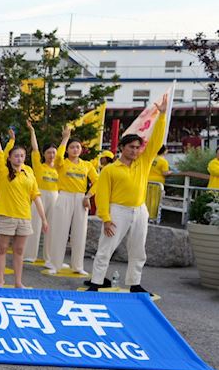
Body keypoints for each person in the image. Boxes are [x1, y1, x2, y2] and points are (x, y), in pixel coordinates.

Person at [86, 111, 169, 294]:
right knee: (106, 248)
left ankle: (135, 283)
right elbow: (102, 195)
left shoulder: (144, 162)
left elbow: (156, 141)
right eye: (131, 147)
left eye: (137, 147)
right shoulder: (110, 169)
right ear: (122, 148)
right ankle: (96, 282)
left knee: (138, 250)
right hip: (118, 211)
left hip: (140, 210)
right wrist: (106, 218)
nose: (135, 150)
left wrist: (162, 115)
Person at [0, 117, 47, 288]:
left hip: (24, 217)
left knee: (19, 251)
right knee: (2, 249)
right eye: (16, 156)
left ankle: (18, 282)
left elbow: (36, 196)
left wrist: (43, 219)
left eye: (22, 156)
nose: (19, 158)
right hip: (6, 216)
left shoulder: (29, 171)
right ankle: (1, 280)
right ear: (9, 158)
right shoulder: (2, 171)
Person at [43, 127, 98, 277]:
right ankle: (55, 264)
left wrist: (88, 196)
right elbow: (58, 156)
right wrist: (65, 138)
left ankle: (77, 266)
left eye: (77, 147)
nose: (75, 149)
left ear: (81, 149)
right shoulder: (62, 163)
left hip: (81, 199)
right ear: (67, 150)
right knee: (59, 231)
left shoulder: (87, 165)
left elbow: (97, 181)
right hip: (64, 197)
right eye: (72, 147)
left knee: (80, 233)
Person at [26, 127, 59, 264]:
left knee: (51, 227)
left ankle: (49, 257)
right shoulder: (39, 166)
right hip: (39, 196)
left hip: (55, 197)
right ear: (44, 154)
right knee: (35, 224)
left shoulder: (59, 168)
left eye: (53, 152)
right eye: (48, 152)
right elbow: (35, 149)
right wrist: (32, 131)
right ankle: (29, 255)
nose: (51, 155)